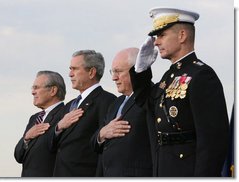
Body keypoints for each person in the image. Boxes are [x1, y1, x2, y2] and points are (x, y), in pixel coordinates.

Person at [130, 7, 229, 177]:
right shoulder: (169, 76)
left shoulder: (201, 75)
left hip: (187, 170)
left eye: (162, 35)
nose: (156, 42)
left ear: (182, 35)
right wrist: (141, 71)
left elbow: (213, 142)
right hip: (165, 168)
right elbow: (145, 102)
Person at [50, 50, 116, 177]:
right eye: (70, 69)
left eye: (74, 69)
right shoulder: (69, 105)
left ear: (91, 72)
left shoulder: (106, 101)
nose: (70, 74)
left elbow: (105, 149)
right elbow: (51, 145)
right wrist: (59, 127)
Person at [91, 48, 153, 177]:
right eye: (112, 72)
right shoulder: (116, 103)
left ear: (135, 70)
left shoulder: (150, 96)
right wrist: (102, 134)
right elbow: (94, 144)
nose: (114, 78)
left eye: (118, 71)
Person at [14, 70, 66, 177]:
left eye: (36, 88)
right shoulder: (34, 118)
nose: (33, 92)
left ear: (53, 90)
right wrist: (27, 138)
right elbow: (18, 156)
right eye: (33, 88)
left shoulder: (65, 114)